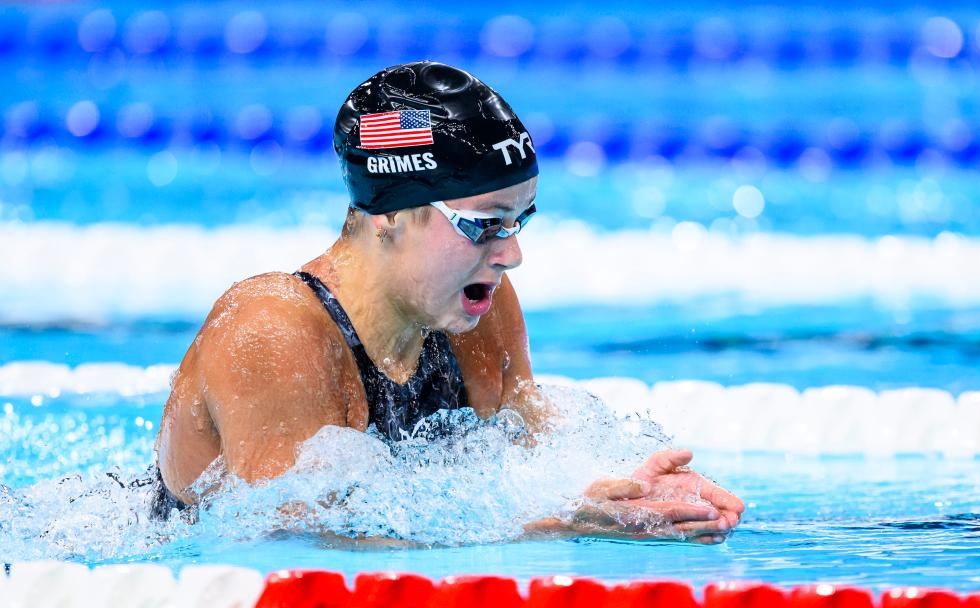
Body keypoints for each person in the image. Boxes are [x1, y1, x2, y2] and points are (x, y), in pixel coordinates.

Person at [152, 61, 744, 542]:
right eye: (483, 225)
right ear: (390, 215)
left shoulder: (474, 305)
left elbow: (526, 435)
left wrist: (630, 489)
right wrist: (559, 524)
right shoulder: (272, 330)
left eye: (519, 222)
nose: (511, 255)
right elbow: (293, 547)